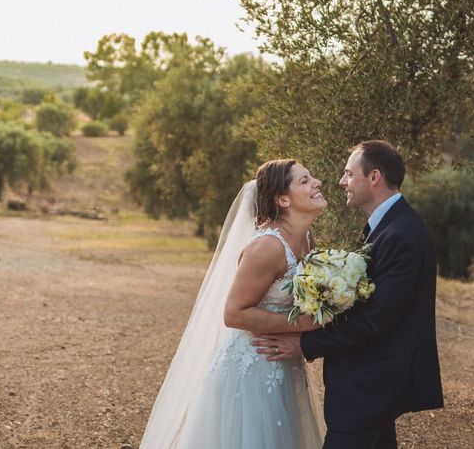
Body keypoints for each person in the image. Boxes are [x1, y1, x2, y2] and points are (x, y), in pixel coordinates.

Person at [253, 140, 444, 449]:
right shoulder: (387, 227)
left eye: (349, 174)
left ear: (374, 177)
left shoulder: (401, 236)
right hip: (369, 383)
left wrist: (305, 342)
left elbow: (375, 321)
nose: (342, 182)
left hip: (370, 385)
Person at [139, 159, 327, 449]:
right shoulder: (267, 247)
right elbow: (234, 313)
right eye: (304, 180)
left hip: (285, 363)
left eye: (311, 177)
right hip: (253, 368)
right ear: (283, 199)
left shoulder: (306, 240)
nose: (316, 182)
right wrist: (301, 324)